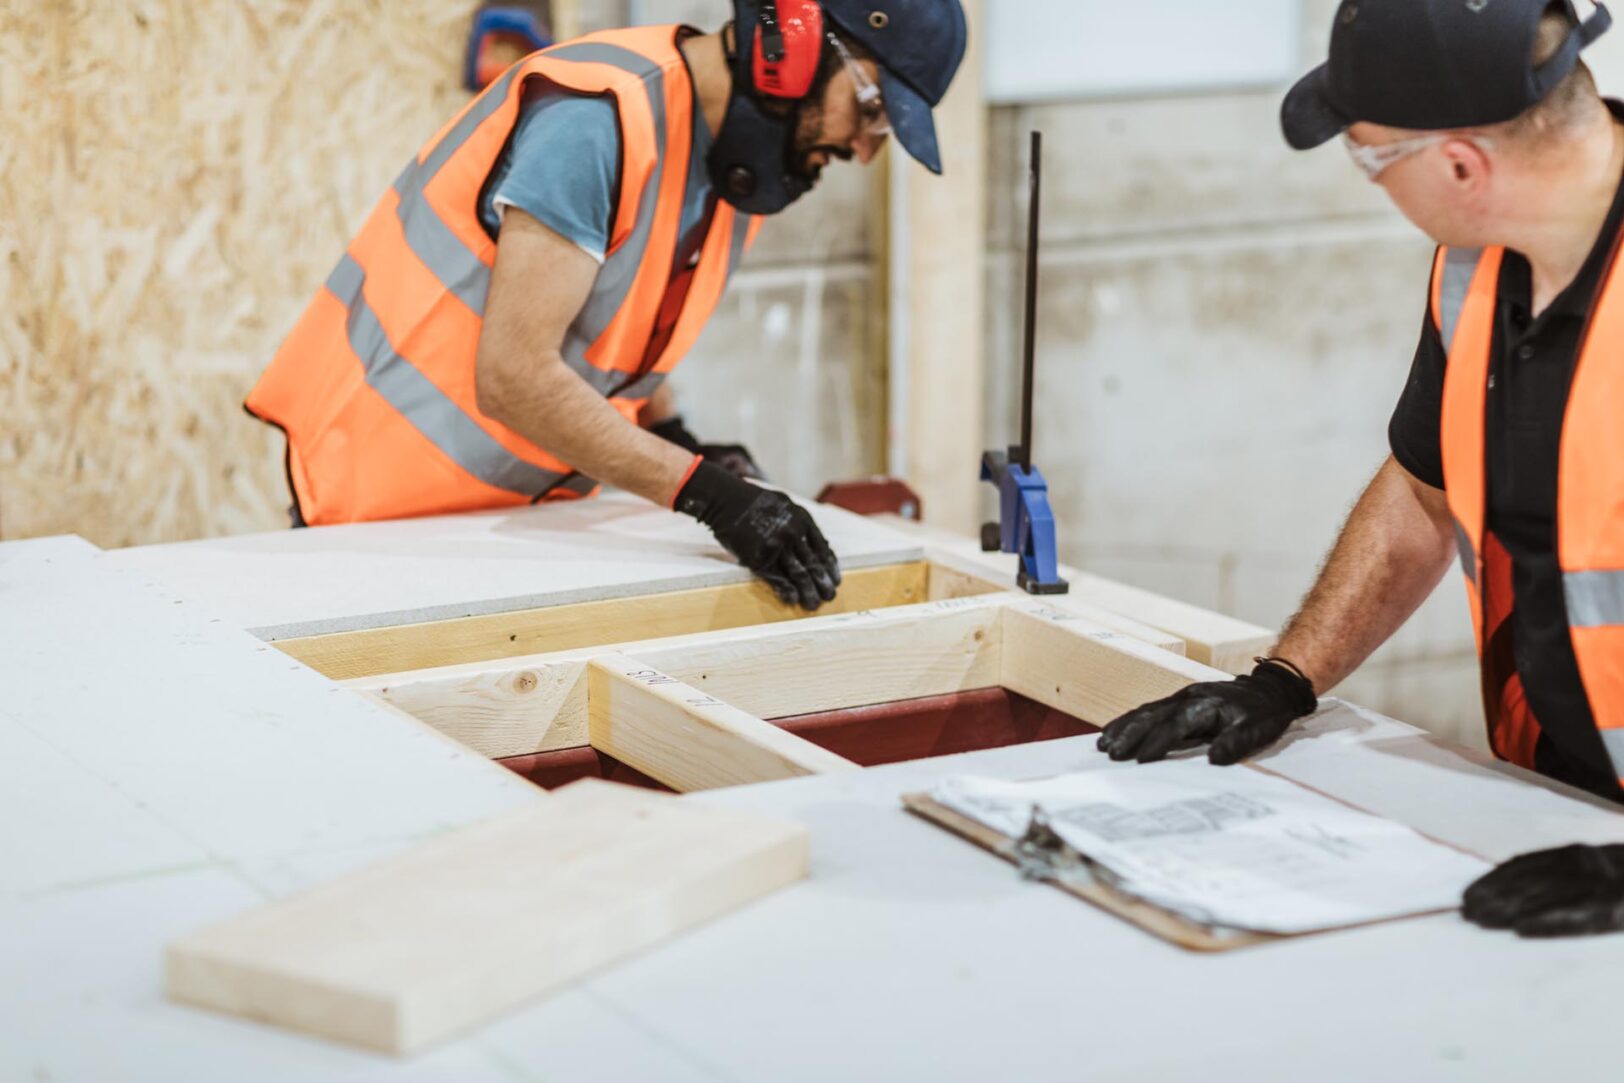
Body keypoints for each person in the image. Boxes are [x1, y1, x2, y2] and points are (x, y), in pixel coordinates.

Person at [1098, 0, 1624, 937]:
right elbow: (1426, 487)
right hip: (1560, 803)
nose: (1371, 185)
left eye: (1371, 158)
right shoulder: (1477, 268)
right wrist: (1285, 679)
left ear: (1462, 163)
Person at [244, 1, 967, 611]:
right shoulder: (598, 120)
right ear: (795, 40)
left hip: (496, 528)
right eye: (870, 111)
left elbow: (615, 328)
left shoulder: (730, 168)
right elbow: (515, 375)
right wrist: (707, 494)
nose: (862, 151)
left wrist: (678, 432)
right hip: (379, 513)